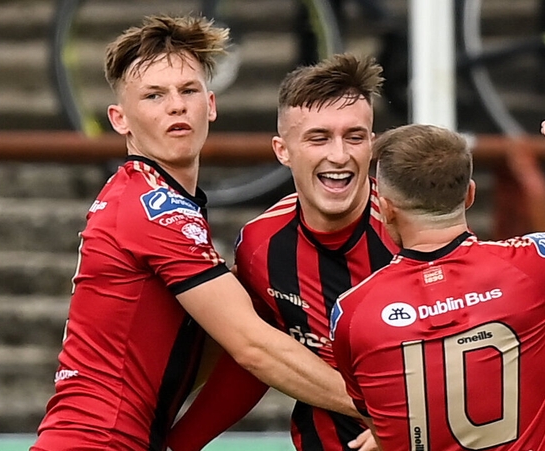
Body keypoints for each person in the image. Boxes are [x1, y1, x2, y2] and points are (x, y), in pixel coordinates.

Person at [31, 15, 363, 451]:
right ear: (119, 119)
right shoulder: (153, 209)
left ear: (210, 105)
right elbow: (252, 347)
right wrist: (386, 411)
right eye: (153, 95)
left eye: (187, 91)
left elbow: (214, 346)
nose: (175, 106)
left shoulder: (156, 199)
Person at [330, 119, 545, 451]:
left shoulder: (352, 312)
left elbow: (381, 418)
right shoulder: (531, 266)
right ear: (470, 193)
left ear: (385, 209)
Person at [166, 53, 396, 451]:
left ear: (372, 144)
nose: (339, 156)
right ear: (282, 150)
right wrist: (180, 444)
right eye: (318, 138)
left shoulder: (414, 231)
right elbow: (257, 358)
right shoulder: (261, 246)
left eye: (354, 137)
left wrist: (401, 426)